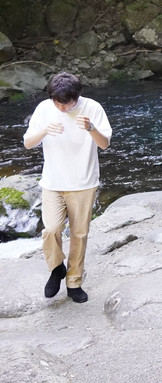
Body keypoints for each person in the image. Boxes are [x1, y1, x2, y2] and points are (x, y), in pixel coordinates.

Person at [23, 71, 112, 303]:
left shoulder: (92, 108)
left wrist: (91, 128)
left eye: (67, 103)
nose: (62, 108)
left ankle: (74, 282)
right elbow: (27, 143)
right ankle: (56, 268)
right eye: (57, 103)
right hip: (53, 182)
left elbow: (105, 145)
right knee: (51, 229)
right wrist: (44, 131)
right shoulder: (44, 108)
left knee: (79, 235)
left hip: (83, 182)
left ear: (77, 96)